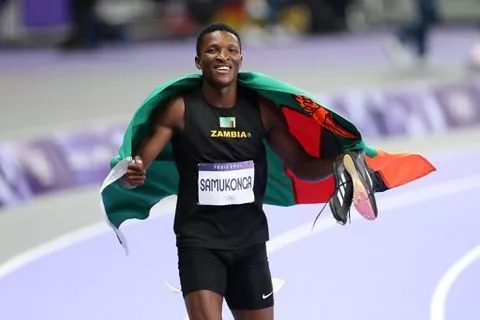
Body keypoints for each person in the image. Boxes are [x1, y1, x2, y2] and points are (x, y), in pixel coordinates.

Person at [120, 22, 376, 320]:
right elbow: (137, 171)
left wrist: (337, 163)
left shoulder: (262, 111)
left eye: (231, 50)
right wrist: (131, 176)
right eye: (212, 50)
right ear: (198, 61)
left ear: (241, 60)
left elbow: (301, 167)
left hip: (250, 245)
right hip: (199, 244)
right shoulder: (180, 110)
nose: (222, 57)